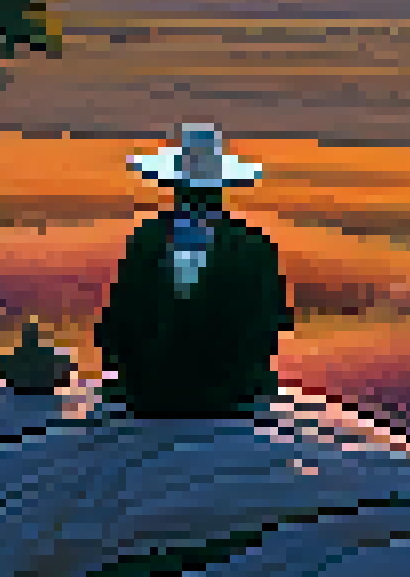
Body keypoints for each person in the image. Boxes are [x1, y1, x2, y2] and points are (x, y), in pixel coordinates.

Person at [95, 123, 293, 418]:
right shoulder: (256, 246)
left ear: (175, 186)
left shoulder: (146, 239)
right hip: (230, 396)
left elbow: (113, 329)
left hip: (150, 394)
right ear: (221, 187)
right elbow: (274, 326)